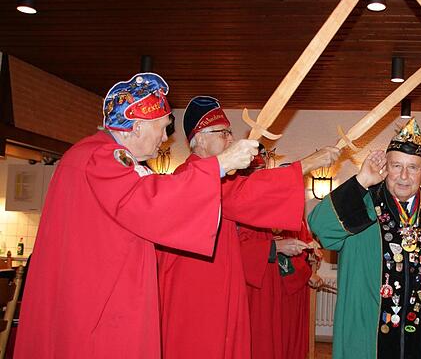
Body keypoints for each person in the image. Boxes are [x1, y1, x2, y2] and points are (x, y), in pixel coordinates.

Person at [14, 74, 263, 358]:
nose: (165, 137)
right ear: (137, 126)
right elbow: (147, 201)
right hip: (99, 300)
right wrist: (220, 164)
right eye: (161, 127)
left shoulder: (97, 155)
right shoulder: (101, 156)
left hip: (100, 288)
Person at [156, 95, 339, 359]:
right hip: (198, 299)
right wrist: (307, 164)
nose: (231, 140)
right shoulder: (191, 176)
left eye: (230, 132)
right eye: (224, 133)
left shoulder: (216, 179)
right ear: (200, 138)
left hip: (222, 292)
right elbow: (247, 193)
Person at [308, 118, 421, 359]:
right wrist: (361, 181)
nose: (404, 176)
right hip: (367, 336)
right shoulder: (362, 201)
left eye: (413, 167)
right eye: (396, 166)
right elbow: (320, 226)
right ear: (386, 166)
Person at [239, 216, 322, 359]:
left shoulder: (292, 212)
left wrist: (310, 252)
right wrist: (305, 273)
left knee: (287, 340)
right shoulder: (253, 213)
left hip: (289, 293)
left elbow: (299, 238)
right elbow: (245, 249)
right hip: (268, 291)